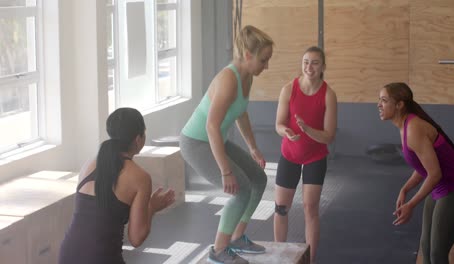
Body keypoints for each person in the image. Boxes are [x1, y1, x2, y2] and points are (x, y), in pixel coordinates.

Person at [179, 25, 273, 264]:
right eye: (264, 60)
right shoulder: (228, 80)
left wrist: (252, 147)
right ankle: (218, 251)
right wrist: (225, 171)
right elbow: (211, 126)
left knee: (258, 179)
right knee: (240, 189)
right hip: (196, 142)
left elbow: (241, 113)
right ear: (248, 56)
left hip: (216, 138)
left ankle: (237, 237)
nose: (267, 66)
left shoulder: (247, 77)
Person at [59, 108, 175, 264]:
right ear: (138, 139)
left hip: (68, 254)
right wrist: (152, 207)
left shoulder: (89, 163)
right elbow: (136, 238)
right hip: (101, 257)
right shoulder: (140, 177)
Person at [378, 82, 454, 264]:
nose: (379, 105)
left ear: (399, 105)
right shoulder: (404, 126)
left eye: (384, 100)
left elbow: (434, 174)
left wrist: (411, 204)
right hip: (438, 188)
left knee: (437, 254)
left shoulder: (413, 128)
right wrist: (405, 189)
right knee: (426, 251)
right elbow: (424, 168)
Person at [274, 46, 337, 264]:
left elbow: (328, 136)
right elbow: (279, 124)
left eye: (315, 63)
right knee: (281, 208)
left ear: (323, 67)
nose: (309, 67)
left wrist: (307, 129)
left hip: (315, 156)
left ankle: (310, 259)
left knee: (310, 208)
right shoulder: (288, 89)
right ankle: (279, 254)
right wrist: (287, 132)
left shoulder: (328, 94)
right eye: (306, 62)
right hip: (289, 154)